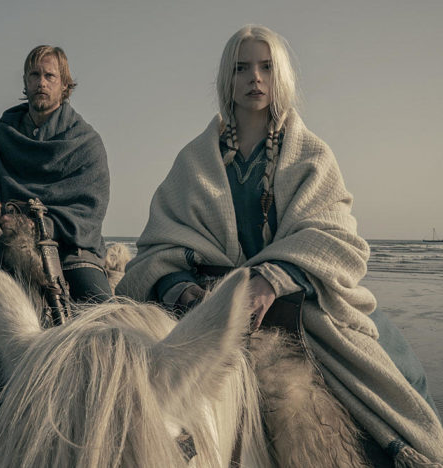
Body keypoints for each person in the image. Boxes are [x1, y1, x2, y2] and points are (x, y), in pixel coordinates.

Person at [116, 25, 443, 464]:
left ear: (280, 75)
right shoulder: (193, 161)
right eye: (242, 67)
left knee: (399, 371)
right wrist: (184, 290)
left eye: (266, 67)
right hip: (207, 308)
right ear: (227, 79)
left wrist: (272, 278)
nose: (255, 77)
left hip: (296, 301)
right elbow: (159, 246)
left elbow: (335, 235)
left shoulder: (311, 154)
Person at [0, 45, 111, 302]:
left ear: (65, 85)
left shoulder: (86, 143)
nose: (41, 83)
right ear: (25, 82)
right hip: (1, 243)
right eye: (34, 75)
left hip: (69, 251)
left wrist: (40, 226)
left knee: (103, 314)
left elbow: (89, 211)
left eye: (50, 76)